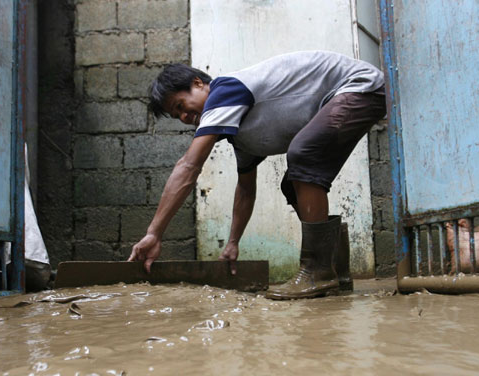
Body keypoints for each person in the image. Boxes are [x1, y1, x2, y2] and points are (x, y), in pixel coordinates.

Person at [128, 51, 386, 299]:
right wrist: (232, 242)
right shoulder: (239, 136)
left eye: (181, 105)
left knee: (303, 155)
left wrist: (154, 233)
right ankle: (335, 272)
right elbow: (245, 189)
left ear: (198, 83)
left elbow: (189, 166)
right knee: (293, 183)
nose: (184, 117)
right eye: (177, 115)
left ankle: (317, 271)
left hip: (360, 86)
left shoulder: (225, 91)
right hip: (349, 97)